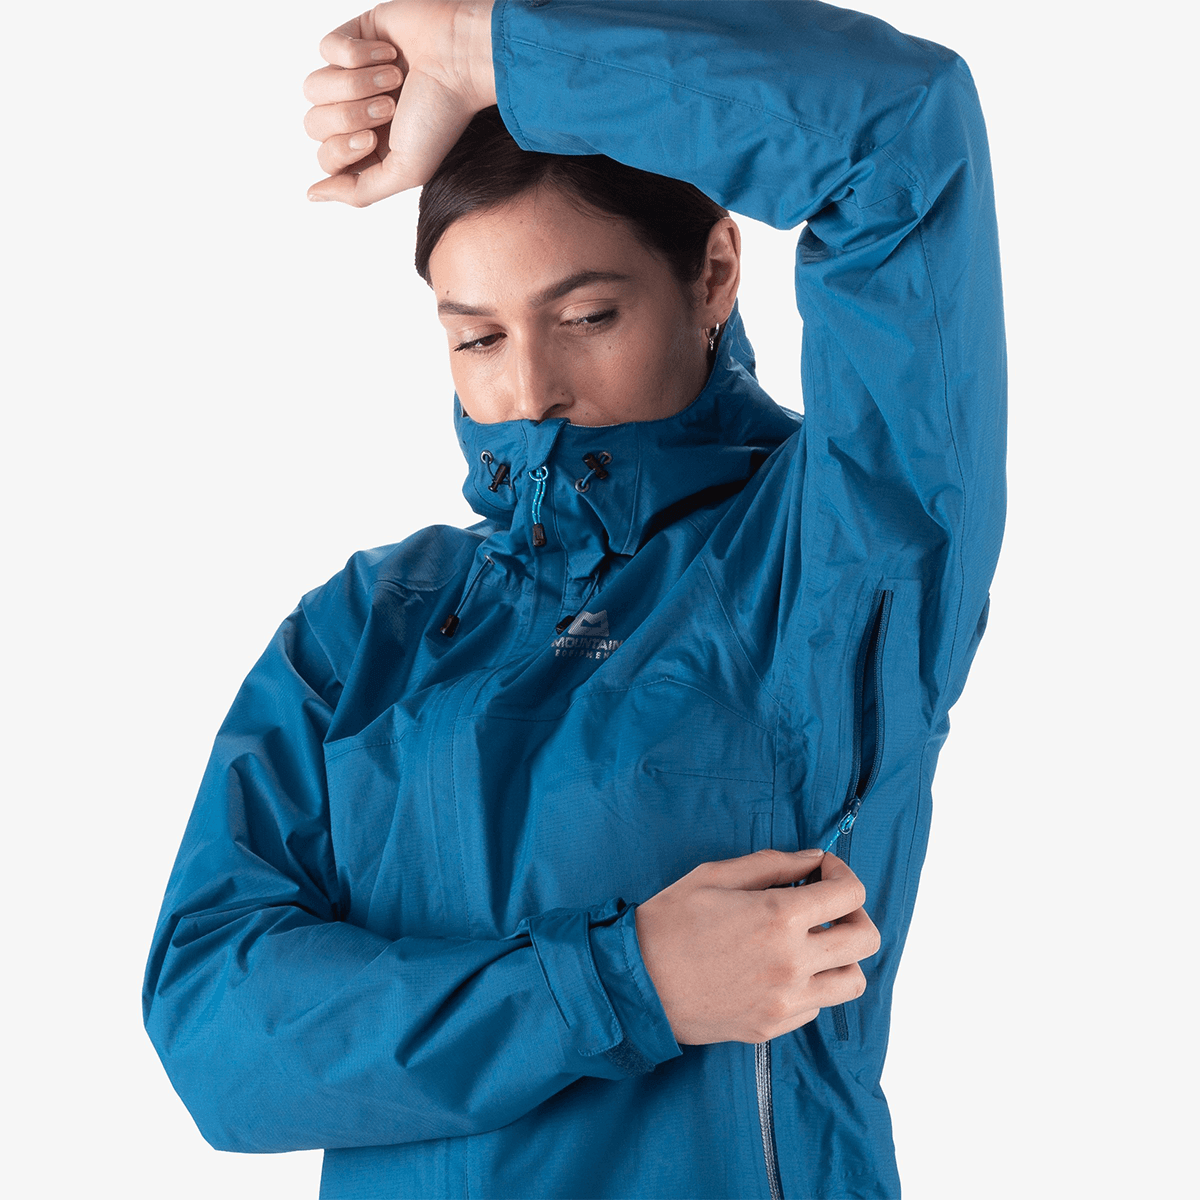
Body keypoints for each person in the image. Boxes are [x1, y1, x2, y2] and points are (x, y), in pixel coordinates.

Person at [142, 2, 1006, 1197]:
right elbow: (216, 1034)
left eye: (587, 316)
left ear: (712, 273)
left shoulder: (829, 555)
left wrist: (476, 50)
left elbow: (901, 133)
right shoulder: (362, 631)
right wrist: (622, 982)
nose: (532, 389)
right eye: (477, 339)